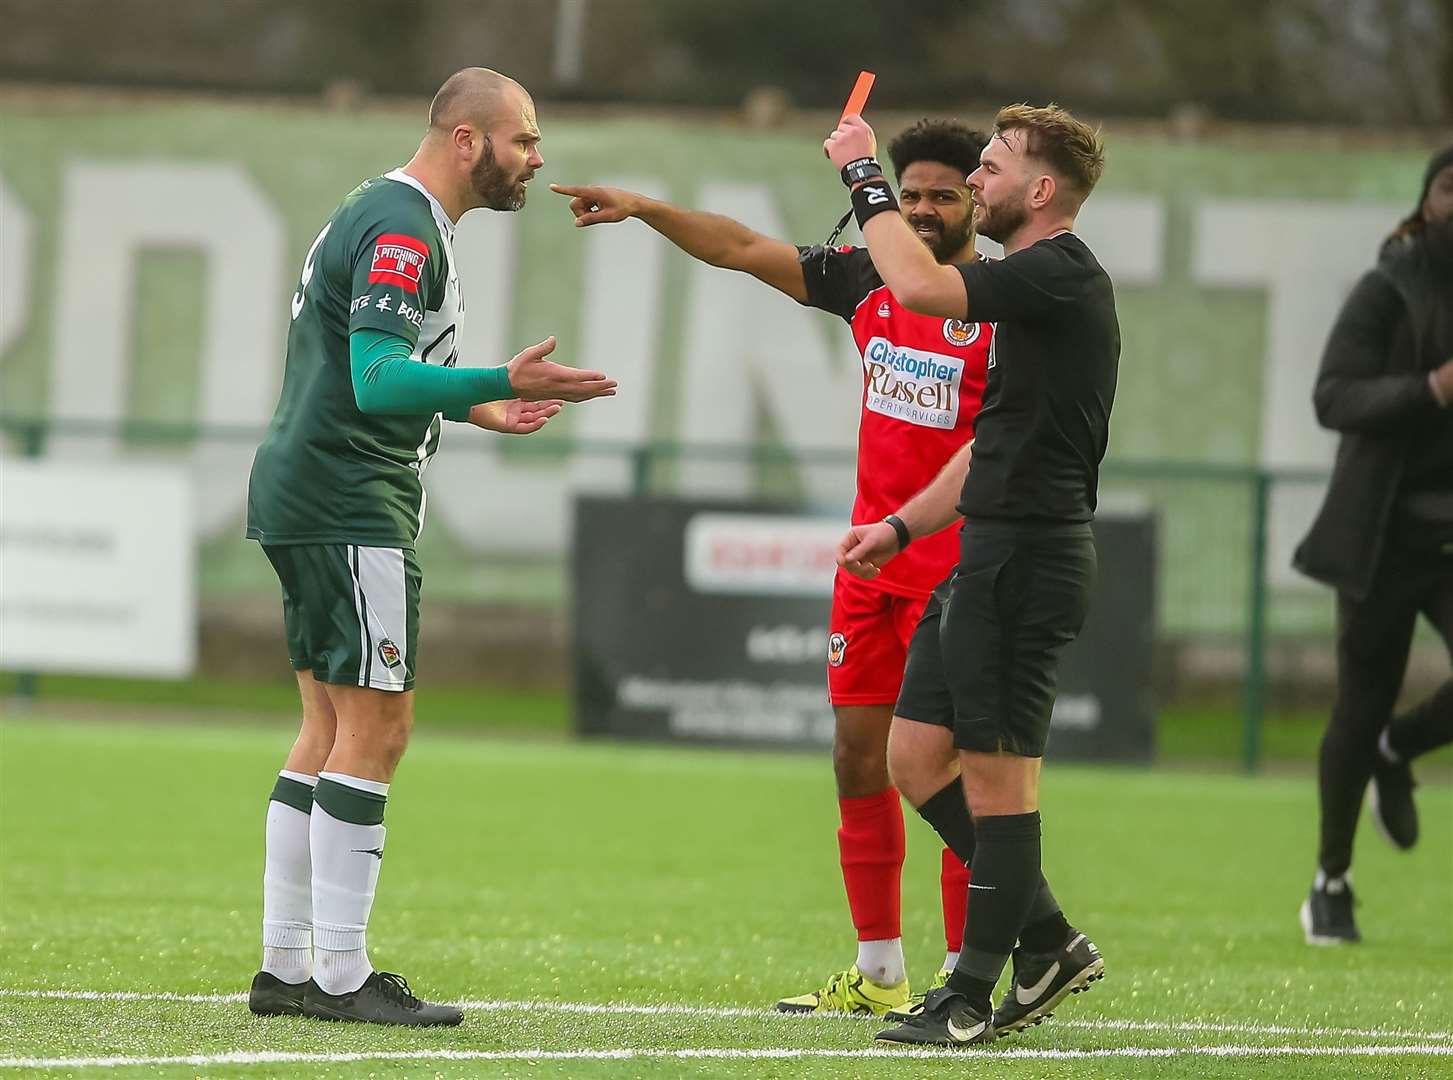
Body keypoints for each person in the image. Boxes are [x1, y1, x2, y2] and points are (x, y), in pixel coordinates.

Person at [552, 120, 993, 1016]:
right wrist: (643, 210)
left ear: (975, 202)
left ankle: (963, 974)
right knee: (854, 760)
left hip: (956, 575)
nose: (921, 210)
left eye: (941, 196)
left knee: (953, 773)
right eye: (908, 195)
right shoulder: (868, 279)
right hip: (868, 568)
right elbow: (743, 248)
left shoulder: (1003, 301)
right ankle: (877, 974)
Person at [243, 67, 616, 1027]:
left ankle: (287, 966)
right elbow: (375, 379)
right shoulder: (405, 226)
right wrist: (495, 373)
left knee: (327, 729)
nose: (537, 158)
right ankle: (340, 977)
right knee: (381, 728)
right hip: (347, 498)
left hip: (306, 489)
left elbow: (372, 369)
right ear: (466, 139)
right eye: (524, 139)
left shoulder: (386, 210)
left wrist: (481, 405)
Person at [822, 103, 1118, 1046]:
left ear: (1039, 192)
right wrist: (901, 527)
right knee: (913, 756)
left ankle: (970, 994)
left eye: (990, 171)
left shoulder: (1060, 275)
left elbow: (912, 282)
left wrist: (862, 175)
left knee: (999, 782)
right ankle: (1050, 942)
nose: (975, 183)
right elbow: (992, 440)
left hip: (1029, 556)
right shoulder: (1030, 286)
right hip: (983, 548)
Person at [1292, 145, 1453, 945]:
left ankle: (1403, 744)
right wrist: (1429, 389)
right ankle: (1330, 880)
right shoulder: (1387, 287)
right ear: (1427, 200)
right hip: (1385, 532)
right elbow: (1331, 396)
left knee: (1379, 723)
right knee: (1359, 700)